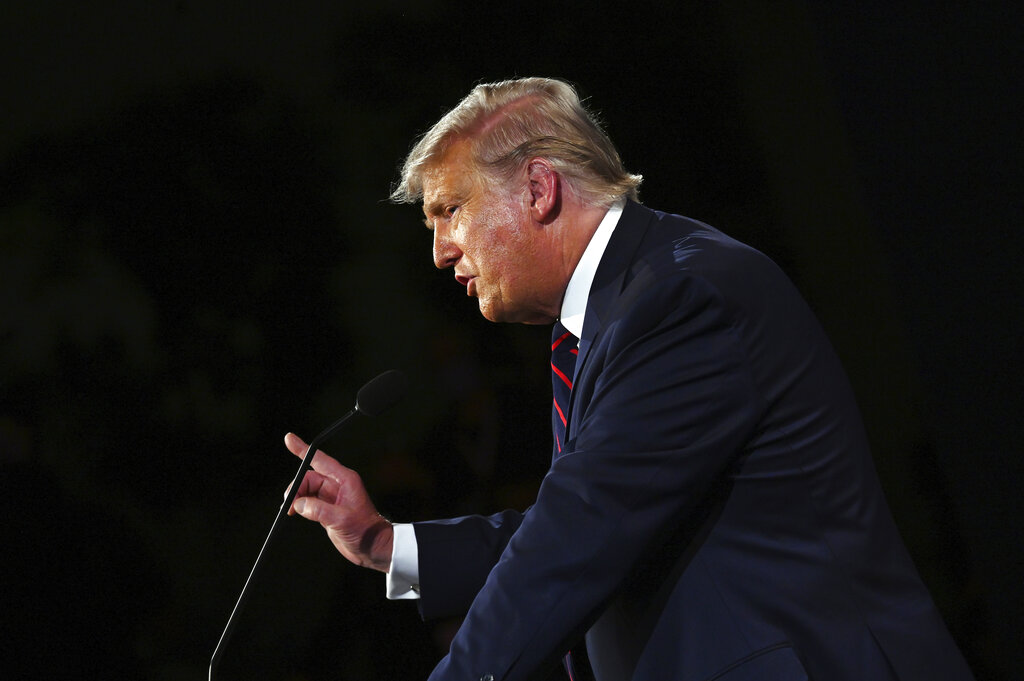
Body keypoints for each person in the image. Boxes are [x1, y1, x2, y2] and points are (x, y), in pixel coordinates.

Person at [285, 77, 974, 681]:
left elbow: (579, 530)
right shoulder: (619, 313)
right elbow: (581, 517)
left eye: (451, 210)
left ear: (538, 188)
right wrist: (387, 544)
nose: (439, 252)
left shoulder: (682, 296)